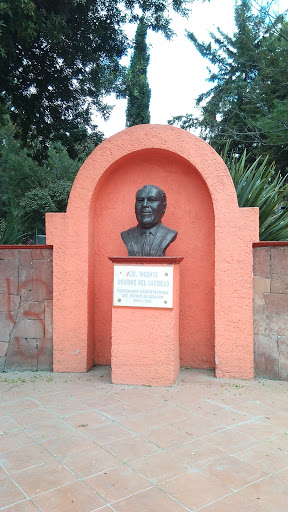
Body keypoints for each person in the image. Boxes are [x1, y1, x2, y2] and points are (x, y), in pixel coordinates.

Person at [121, 184, 177, 256]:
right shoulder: (127, 235)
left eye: (151, 200)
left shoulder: (169, 234)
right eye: (140, 200)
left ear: (164, 207)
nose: (144, 204)